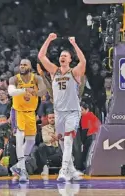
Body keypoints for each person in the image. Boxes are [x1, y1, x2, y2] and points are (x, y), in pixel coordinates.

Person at [38, 33, 86, 181]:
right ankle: (71, 169)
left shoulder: (75, 72)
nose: (62, 57)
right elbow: (41, 56)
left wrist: (74, 44)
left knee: (68, 140)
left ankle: (63, 171)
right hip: (59, 112)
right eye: (61, 55)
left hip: (72, 111)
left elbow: (83, 60)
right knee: (62, 142)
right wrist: (49, 40)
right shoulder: (54, 71)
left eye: (66, 55)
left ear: (70, 59)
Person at [8, 59, 47, 182]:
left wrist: (35, 91)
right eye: (21, 65)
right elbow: (11, 92)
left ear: (30, 67)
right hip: (18, 112)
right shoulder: (14, 79)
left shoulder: (36, 79)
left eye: (25, 64)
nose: (22, 66)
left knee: (31, 141)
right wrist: (25, 90)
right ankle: (23, 170)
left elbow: (43, 91)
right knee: (19, 139)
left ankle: (18, 166)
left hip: (30, 112)